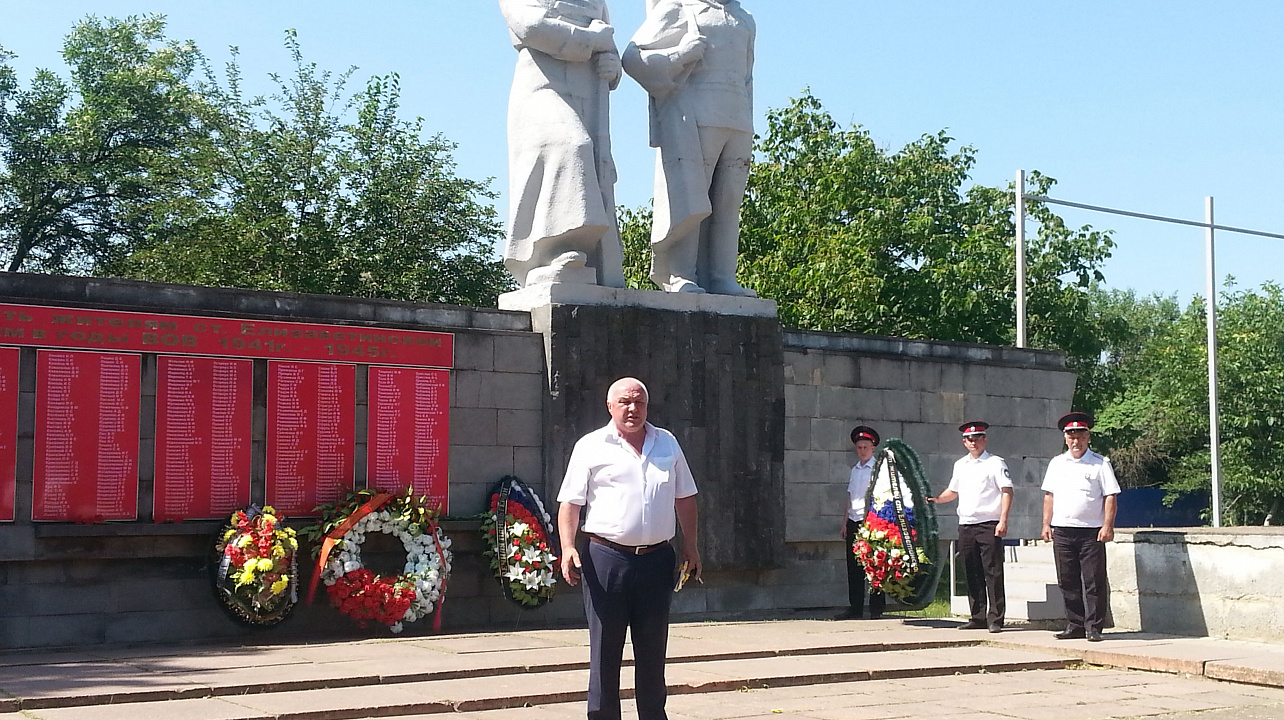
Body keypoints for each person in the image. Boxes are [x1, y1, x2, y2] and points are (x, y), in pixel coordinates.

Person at [557, 377, 701, 720]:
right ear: (610, 406)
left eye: (638, 402)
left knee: (653, 651)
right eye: (624, 402)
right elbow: (570, 503)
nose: (632, 408)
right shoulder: (591, 446)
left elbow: (685, 498)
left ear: (647, 406)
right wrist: (567, 547)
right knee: (606, 650)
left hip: (657, 559)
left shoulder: (667, 443)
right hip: (606, 558)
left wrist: (691, 546)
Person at [622, 0, 758, 296]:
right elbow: (633, 58)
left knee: (728, 202)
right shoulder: (682, 8)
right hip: (696, 114)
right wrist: (678, 56)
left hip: (738, 119)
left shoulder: (744, 20)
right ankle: (679, 273)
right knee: (690, 197)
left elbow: (748, 78)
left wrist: (748, 118)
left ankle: (722, 277)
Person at [498, 0, 627, 289]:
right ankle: (554, 250)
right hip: (542, 86)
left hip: (589, 94)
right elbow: (532, 27)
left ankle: (581, 259)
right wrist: (591, 41)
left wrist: (613, 66)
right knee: (571, 146)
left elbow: (610, 45)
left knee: (594, 170)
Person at [1041, 411, 1121, 643]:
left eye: (1080, 436)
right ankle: (1074, 624)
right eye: (1071, 437)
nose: (1076, 441)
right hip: (1063, 529)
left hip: (1091, 531)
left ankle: (1094, 627)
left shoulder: (1100, 463)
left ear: (1088, 437)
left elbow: (1110, 496)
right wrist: (1046, 523)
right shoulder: (1057, 463)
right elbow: (1049, 496)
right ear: (1065, 438)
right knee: (1067, 580)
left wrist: (1108, 525)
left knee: (1093, 581)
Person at [929, 421, 1013, 633]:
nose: (973, 442)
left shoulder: (995, 463)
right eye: (969, 439)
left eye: (977, 438)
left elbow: (1006, 491)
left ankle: (995, 618)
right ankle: (977, 616)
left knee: (992, 572)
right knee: (971, 571)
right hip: (966, 524)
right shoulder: (960, 465)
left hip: (988, 524)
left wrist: (1003, 519)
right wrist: (937, 500)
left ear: (985, 440)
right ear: (964, 442)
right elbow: (953, 491)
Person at [836, 425, 885, 620]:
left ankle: (876, 608)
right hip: (854, 520)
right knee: (854, 566)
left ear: (873, 448)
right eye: (859, 447)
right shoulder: (855, 470)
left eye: (865, 447)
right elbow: (850, 496)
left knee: (874, 564)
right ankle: (855, 607)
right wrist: (844, 522)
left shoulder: (878, 470)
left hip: (871, 522)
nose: (862, 451)